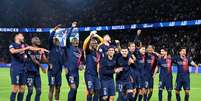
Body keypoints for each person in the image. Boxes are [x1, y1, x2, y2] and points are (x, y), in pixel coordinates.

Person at [9, 33, 46, 101]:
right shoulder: (12, 45)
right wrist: (25, 48)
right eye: (22, 36)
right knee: (15, 88)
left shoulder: (24, 45)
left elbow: (31, 48)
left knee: (22, 88)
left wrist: (41, 49)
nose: (23, 37)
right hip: (16, 69)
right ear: (17, 37)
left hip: (24, 70)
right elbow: (13, 51)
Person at [65, 23, 85, 101]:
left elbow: (82, 61)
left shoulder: (80, 51)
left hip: (76, 73)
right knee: (73, 88)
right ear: (71, 41)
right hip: (69, 72)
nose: (76, 41)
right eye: (74, 40)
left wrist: (82, 65)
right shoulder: (69, 47)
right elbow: (67, 38)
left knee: (75, 89)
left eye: (77, 40)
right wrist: (72, 28)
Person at [26, 36, 48, 101]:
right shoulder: (30, 49)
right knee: (30, 91)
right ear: (33, 41)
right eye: (37, 39)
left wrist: (49, 61)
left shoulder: (40, 50)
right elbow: (33, 59)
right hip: (29, 73)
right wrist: (42, 67)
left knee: (39, 91)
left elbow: (45, 60)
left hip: (37, 73)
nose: (39, 40)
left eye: (39, 39)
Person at [83, 31, 104, 101]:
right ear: (90, 44)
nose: (94, 44)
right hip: (88, 74)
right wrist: (90, 36)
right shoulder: (88, 51)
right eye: (93, 43)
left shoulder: (98, 53)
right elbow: (85, 44)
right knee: (91, 91)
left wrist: (96, 36)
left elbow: (103, 42)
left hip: (96, 75)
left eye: (95, 43)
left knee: (97, 91)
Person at [48, 24, 65, 101]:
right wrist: (54, 30)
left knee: (58, 87)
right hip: (52, 71)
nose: (56, 40)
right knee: (51, 87)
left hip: (59, 71)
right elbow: (50, 38)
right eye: (55, 39)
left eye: (57, 39)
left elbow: (62, 60)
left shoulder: (61, 49)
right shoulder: (51, 47)